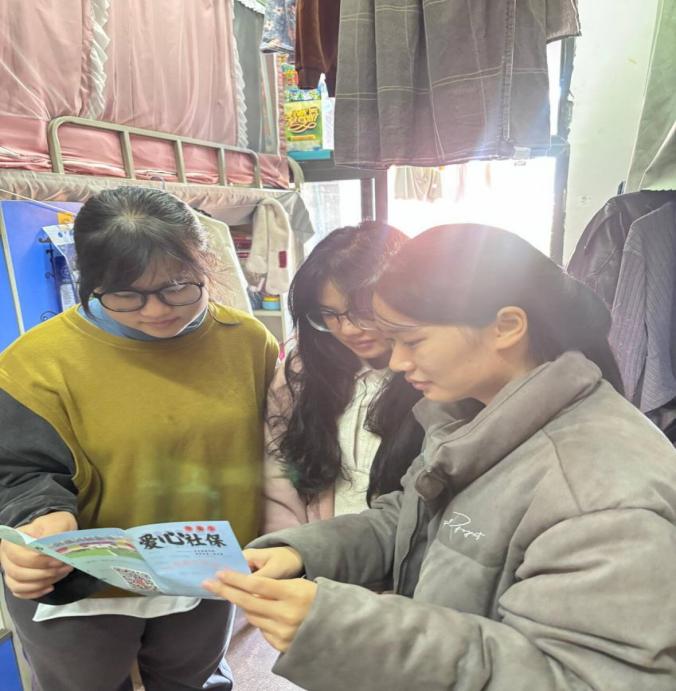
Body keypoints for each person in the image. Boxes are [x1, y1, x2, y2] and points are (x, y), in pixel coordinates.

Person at [205, 224, 676, 690]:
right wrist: (303, 551)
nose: (396, 362)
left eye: (412, 341)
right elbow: (409, 518)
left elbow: (586, 678)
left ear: (507, 327)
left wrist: (348, 633)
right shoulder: (472, 415)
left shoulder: (602, 496)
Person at [0, 186, 279, 691]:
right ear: (90, 281)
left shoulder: (247, 342)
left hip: (202, 572)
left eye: (177, 287)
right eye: (126, 294)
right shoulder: (33, 364)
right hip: (82, 585)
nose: (155, 311)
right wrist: (39, 518)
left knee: (193, 680)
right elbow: (19, 470)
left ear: (205, 266)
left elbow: (277, 453)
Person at [263, 222, 424, 531]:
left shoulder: (434, 376)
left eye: (363, 311)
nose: (348, 329)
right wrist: (292, 546)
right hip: (312, 548)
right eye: (328, 314)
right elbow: (278, 478)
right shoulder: (302, 371)